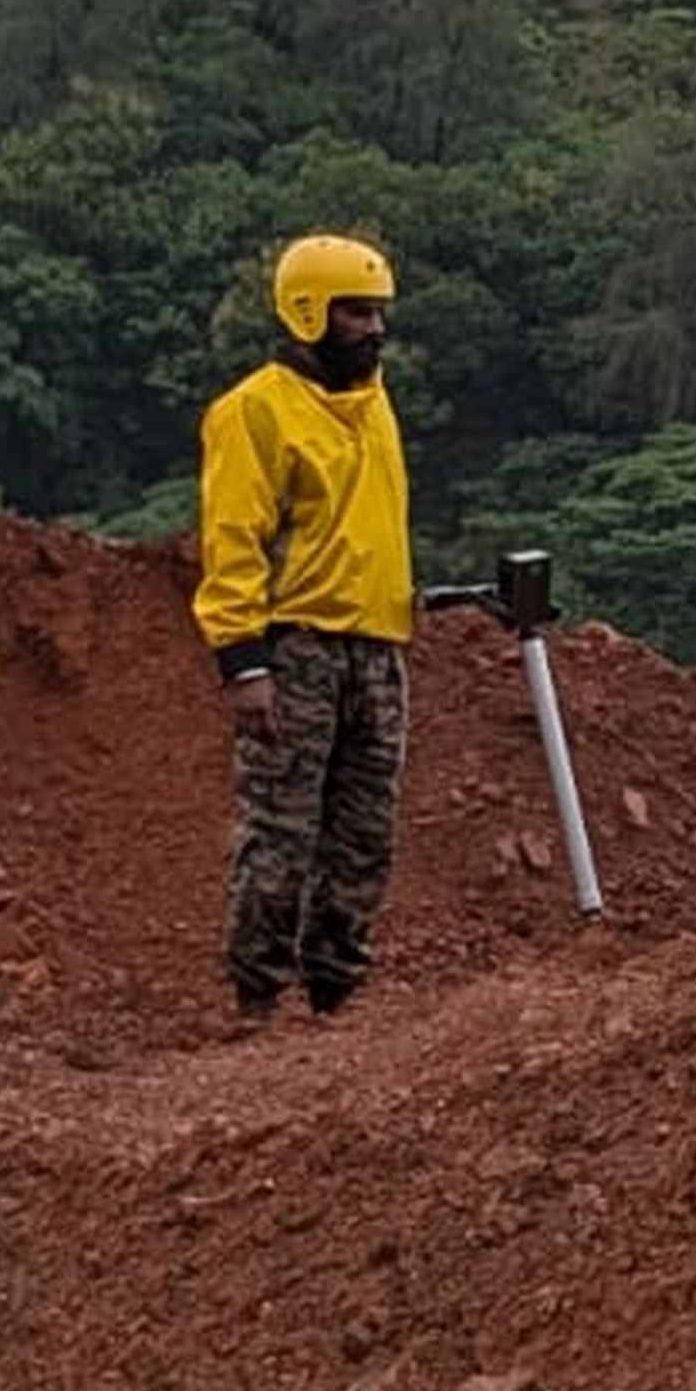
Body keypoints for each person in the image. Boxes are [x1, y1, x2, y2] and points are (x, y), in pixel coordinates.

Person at [195, 235, 417, 1021]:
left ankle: (336, 997)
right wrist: (244, 662)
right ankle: (255, 998)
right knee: (282, 830)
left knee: (364, 834)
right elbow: (232, 543)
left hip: (378, 649)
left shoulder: (375, 401)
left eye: (378, 312)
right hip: (299, 649)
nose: (373, 328)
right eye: (356, 312)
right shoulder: (254, 411)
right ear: (307, 310)